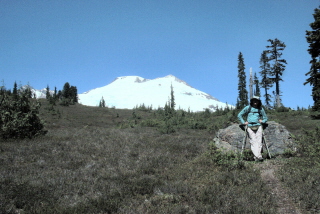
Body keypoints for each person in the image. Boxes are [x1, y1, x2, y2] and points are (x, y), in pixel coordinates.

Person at [238, 96, 268, 161]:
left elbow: (265, 117)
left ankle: (257, 157)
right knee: (253, 141)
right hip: (249, 126)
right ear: (252, 101)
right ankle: (258, 156)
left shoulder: (260, 109)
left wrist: (262, 121)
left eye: (256, 101)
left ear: (258, 102)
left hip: (258, 126)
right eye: (254, 100)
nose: (255, 102)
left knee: (259, 141)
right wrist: (243, 122)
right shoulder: (248, 108)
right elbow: (239, 115)